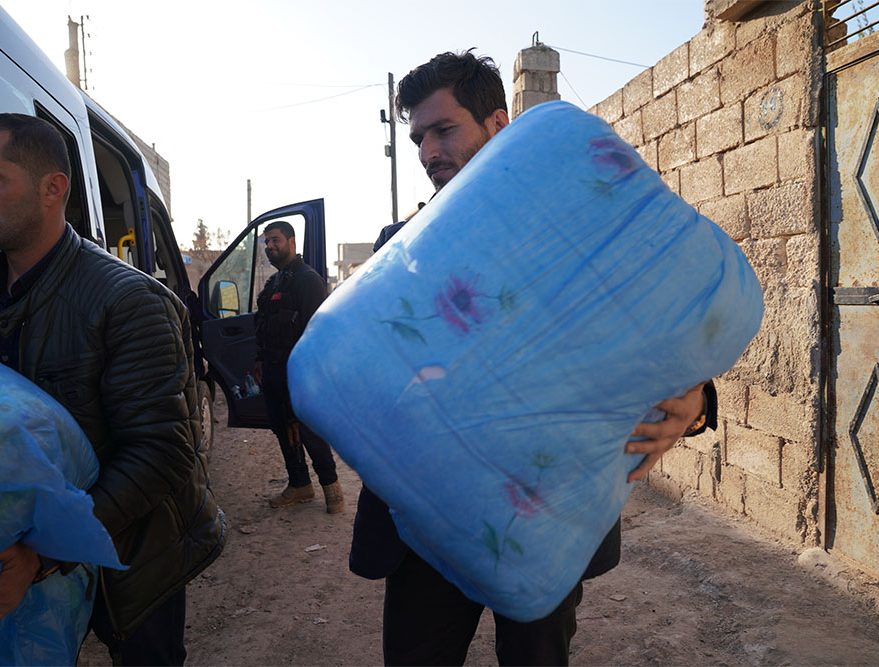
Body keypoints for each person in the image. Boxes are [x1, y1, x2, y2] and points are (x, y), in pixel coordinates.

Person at [350, 51, 718, 666]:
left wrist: (696, 395)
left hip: (547, 518)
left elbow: (662, 316)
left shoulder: (579, 236)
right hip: (426, 527)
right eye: (418, 138)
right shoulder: (397, 255)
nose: (427, 152)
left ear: (497, 124)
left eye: (444, 130)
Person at [0, 113, 225, 665]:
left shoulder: (130, 301)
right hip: (28, 549)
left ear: (54, 189)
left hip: (134, 555)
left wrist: (42, 555)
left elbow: (161, 453)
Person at [253, 220, 344, 513]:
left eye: (275, 240)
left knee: (309, 431)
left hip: (300, 372)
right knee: (284, 430)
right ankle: (300, 485)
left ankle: (333, 491)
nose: (270, 246)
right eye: (267, 242)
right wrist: (260, 362)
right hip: (273, 370)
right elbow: (263, 327)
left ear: (292, 242)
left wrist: (313, 374)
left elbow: (318, 332)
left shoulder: (308, 280)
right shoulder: (275, 282)